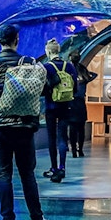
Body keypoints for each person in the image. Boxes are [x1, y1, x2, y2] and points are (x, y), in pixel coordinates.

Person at [0, 23, 54, 220]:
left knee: (4, 175)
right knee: (27, 174)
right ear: (17, 40)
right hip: (24, 127)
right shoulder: (29, 64)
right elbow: (44, 90)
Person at [41, 39, 77, 182]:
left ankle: (54, 167)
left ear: (48, 51)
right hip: (66, 105)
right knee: (63, 137)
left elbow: (43, 89)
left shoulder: (46, 67)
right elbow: (75, 88)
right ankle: (62, 167)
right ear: (59, 50)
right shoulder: (69, 66)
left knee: (52, 138)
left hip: (51, 106)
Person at [66, 50, 95, 157]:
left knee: (72, 129)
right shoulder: (83, 69)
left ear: (70, 58)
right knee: (81, 129)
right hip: (81, 103)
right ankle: (81, 150)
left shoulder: (68, 69)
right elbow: (93, 75)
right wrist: (86, 79)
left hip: (71, 101)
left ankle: (73, 150)